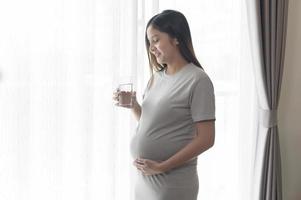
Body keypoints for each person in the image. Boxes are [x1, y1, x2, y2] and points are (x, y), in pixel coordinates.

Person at [113, 9, 215, 200]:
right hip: (145, 181)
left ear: (176, 38)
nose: (151, 48)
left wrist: (162, 166)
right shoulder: (156, 78)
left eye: (156, 40)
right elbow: (149, 123)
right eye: (149, 42)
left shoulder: (198, 80)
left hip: (172, 183)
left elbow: (206, 139)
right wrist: (133, 105)